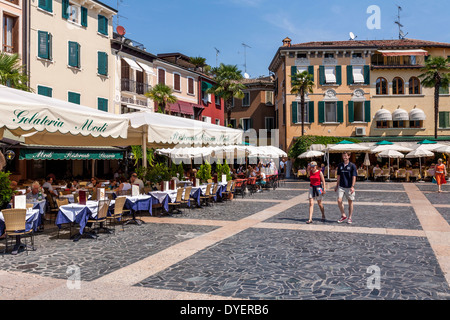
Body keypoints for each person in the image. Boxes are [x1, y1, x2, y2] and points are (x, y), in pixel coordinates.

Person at [335, 152, 357, 224]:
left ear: (349, 156)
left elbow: (354, 176)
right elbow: (338, 176)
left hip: (349, 186)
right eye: (343, 156)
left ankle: (350, 217)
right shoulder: (340, 165)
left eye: (345, 156)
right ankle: (343, 215)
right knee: (339, 200)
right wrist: (336, 185)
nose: (344, 157)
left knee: (350, 202)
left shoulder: (352, 166)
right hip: (341, 186)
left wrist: (352, 186)